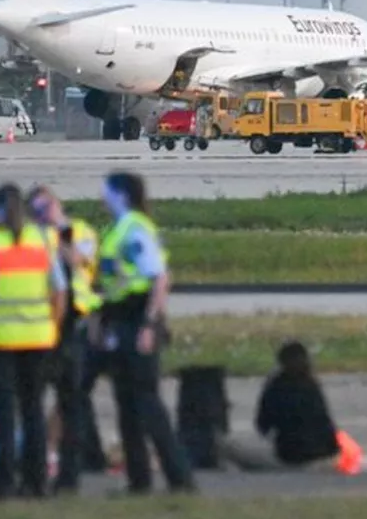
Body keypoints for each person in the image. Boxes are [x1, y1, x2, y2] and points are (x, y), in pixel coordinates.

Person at [91, 171, 195, 495]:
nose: (101, 195)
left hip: (137, 319)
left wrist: (150, 325)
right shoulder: (116, 229)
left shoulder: (135, 229)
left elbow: (159, 278)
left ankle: (180, 477)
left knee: (147, 402)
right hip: (118, 319)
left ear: (121, 194)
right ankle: (139, 480)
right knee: (126, 404)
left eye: (106, 190)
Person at [0, 182, 67, 501]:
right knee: (34, 411)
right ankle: (37, 484)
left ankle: (5, 484)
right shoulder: (44, 241)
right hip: (38, 339)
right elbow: (59, 292)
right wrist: (52, 325)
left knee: (6, 417)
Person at [26, 185, 107, 493]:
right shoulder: (33, 237)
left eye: (48, 206)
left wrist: (57, 233)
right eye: (38, 209)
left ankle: (83, 456)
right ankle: (87, 454)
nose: (44, 213)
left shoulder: (79, 231)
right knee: (74, 394)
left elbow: (80, 261)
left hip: (82, 317)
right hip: (49, 321)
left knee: (76, 392)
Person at [218, 340, 350, 473]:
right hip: (328, 458)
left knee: (226, 446)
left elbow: (263, 426)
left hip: (293, 461)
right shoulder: (312, 385)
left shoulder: (277, 387)